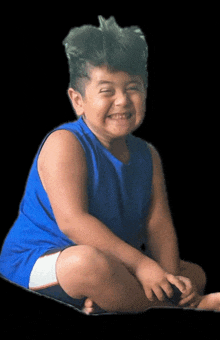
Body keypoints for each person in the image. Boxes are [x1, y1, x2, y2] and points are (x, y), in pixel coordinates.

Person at [0, 16, 219, 315]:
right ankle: (187, 309)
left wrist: (170, 278)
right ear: (78, 100)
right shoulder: (65, 143)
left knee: (193, 273)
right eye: (107, 91)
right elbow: (73, 222)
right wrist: (142, 265)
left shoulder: (147, 154)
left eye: (132, 88)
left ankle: (119, 303)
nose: (122, 101)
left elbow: (158, 223)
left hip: (113, 258)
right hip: (41, 258)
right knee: (87, 264)